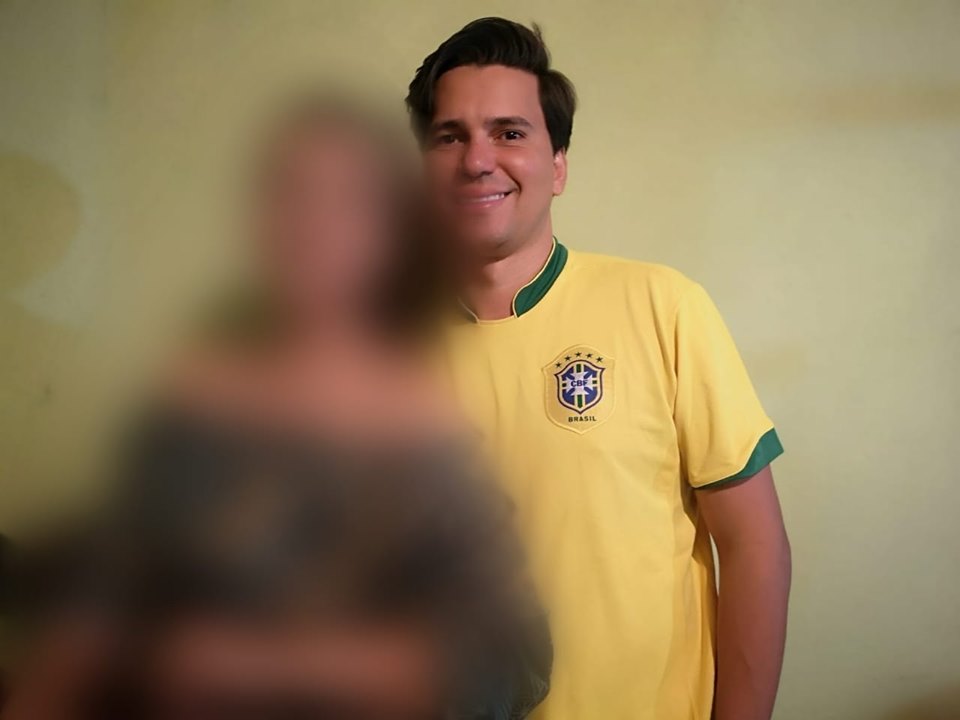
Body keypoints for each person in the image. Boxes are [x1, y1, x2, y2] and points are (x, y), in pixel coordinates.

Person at [1, 96, 550, 720]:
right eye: (290, 197)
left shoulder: (426, 443)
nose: (312, 228)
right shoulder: (192, 416)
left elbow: (512, 664)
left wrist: (277, 662)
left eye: (346, 203)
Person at [406, 18, 791, 720]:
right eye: (449, 137)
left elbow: (753, 543)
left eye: (509, 132)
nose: (477, 160)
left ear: (558, 165)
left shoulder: (663, 307)